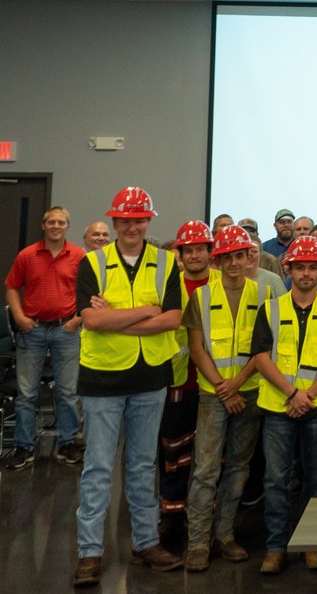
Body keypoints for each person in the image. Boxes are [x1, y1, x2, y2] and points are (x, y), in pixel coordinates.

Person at [73, 187, 184, 586]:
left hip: (150, 376)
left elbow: (172, 320)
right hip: (102, 377)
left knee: (142, 466)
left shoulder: (167, 263)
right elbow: (91, 321)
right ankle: (89, 553)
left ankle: (145, 543)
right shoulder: (92, 263)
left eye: (139, 219)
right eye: (125, 219)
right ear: (115, 221)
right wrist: (145, 311)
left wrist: (116, 316)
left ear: (148, 221)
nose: (132, 225)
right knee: (98, 469)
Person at [251, 236, 317, 574]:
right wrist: (293, 394)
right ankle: (276, 547)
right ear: (288, 269)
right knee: (275, 480)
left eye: (312, 267)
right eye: (300, 267)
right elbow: (261, 358)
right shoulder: (270, 309)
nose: (306, 273)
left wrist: (308, 396)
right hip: (279, 407)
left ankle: (312, 544)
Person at [182, 225, 264, 571]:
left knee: (240, 468)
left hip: (250, 392)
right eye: (227, 257)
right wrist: (222, 386)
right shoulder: (201, 297)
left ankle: (225, 535)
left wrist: (238, 383)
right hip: (213, 394)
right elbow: (197, 349)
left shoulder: (264, 297)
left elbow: (265, 348)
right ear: (218, 260)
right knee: (205, 469)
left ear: (249, 258)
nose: (233, 262)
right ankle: (198, 543)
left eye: (240, 256)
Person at [3, 206, 85, 469]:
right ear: (43, 225)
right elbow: (12, 287)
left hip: (66, 330)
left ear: (66, 226)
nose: (56, 225)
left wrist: (77, 319)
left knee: (68, 392)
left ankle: (68, 443)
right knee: (26, 394)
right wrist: (18, 316)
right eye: (51, 221)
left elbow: (90, 290)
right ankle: (24, 447)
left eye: (61, 222)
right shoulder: (27, 255)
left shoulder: (79, 256)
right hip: (33, 330)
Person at [158, 220, 218, 546]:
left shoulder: (227, 282)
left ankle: (205, 521)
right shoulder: (169, 285)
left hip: (218, 384)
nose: (194, 255)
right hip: (178, 381)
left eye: (200, 249)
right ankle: (171, 518)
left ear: (211, 251)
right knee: (173, 454)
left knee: (211, 458)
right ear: (179, 254)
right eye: (188, 250)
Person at [245, 233, 286, 298]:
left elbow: (284, 305)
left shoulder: (274, 280)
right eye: (245, 251)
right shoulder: (226, 279)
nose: (249, 255)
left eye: (254, 251)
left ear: (260, 254)